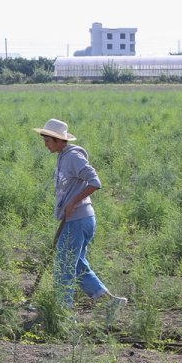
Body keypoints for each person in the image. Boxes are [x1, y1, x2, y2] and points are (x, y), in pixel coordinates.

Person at [33, 119, 126, 318]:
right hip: (77, 220)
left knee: (64, 266)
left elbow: (95, 182)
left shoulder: (73, 156)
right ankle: (109, 301)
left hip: (77, 220)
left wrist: (73, 202)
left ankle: (63, 313)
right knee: (76, 265)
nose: (45, 144)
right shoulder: (63, 156)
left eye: (48, 141)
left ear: (59, 140)